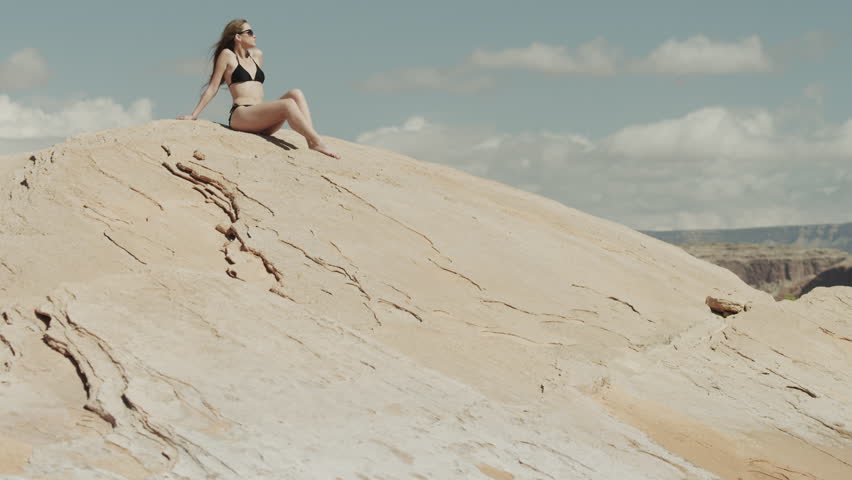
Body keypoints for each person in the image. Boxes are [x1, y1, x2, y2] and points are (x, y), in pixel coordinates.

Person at [178, 19, 340, 159]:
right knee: (288, 103)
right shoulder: (227, 55)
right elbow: (213, 87)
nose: (254, 35)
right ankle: (318, 142)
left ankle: (310, 141)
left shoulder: (257, 55)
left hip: (260, 119)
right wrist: (194, 115)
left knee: (295, 93)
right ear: (238, 37)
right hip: (241, 115)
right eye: (250, 32)